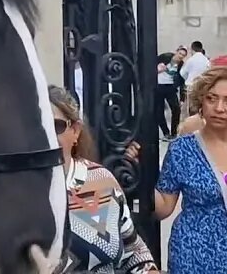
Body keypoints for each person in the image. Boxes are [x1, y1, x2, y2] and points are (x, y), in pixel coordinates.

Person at [47, 86, 157, 273]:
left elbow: (133, 252)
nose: (45, 135)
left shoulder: (101, 181)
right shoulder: (10, 192)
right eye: (36, 126)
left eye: (55, 126)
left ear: (75, 130)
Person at [154, 65, 227, 274]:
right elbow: (164, 207)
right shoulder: (183, 148)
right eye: (212, 98)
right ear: (201, 101)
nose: (219, 107)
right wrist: (134, 175)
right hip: (193, 253)